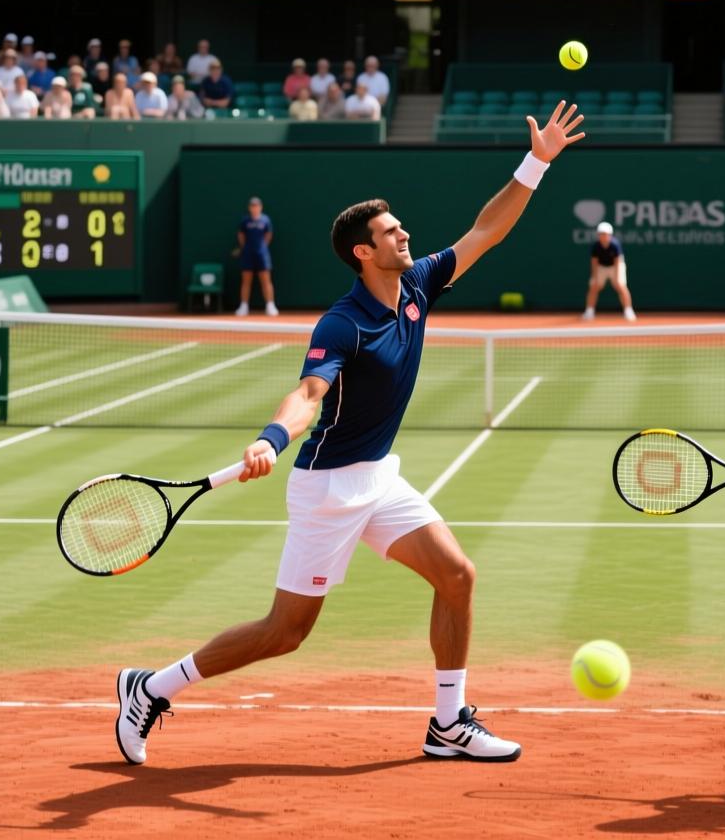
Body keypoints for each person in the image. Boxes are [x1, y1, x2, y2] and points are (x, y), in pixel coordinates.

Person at [113, 102, 586, 767]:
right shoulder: (343, 324)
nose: (405, 236)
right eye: (391, 232)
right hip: (328, 489)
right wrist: (271, 440)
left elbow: (486, 231)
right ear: (363, 252)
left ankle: (448, 724)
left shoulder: (419, 284)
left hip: (378, 475)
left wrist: (537, 161)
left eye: (401, 228)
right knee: (285, 632)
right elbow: (309, 393)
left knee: (456, 575)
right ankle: (151, 687)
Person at [582, 220, 635, 322]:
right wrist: (595, 276)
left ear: (609, 235)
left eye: (605, 234)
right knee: (594, 286)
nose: (603, 236)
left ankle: (628, 311)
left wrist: (616, 277)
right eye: (601, 234)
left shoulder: (615, 245)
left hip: (616, 266)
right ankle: (589, 311)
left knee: (620, 285)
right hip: (601, 267)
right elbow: (594, 263)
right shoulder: (596, 247)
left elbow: (617, 262)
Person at [235, 197, 278, 316]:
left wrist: (262, 247)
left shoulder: (266, 220)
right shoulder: (245, 221)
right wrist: (246, 248)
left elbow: (268, 235)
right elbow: (241, 235)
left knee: (266, 280)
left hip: (262, 255)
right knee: (246, 280)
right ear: (249, 208)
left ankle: (270, 305)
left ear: (260, 207)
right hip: (248, 254)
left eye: (256, 205)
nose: (254, 208)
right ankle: (243, 306)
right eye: (252, 206)